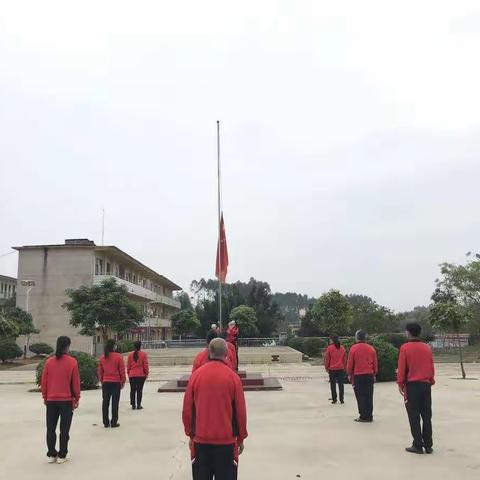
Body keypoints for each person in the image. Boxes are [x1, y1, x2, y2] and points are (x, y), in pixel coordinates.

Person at [183, 338, 248, 480]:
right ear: (226, 353)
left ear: (209, 352)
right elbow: (240, 412)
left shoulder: (196, 376)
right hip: (226, 443)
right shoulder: (233, 378)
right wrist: (241, 437)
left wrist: (190, 434)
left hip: (200, 441)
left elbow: (187, 409)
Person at [40, 336, 80, 464]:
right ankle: (62, 455)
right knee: (64, 429)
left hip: (51, 400)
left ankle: (52, 454)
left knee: (50, 428)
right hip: (66, 401)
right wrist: (77, 398)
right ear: (67, 346)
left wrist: (45, 397)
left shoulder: (49, 362)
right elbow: (75, 383)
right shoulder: (72, 362)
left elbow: (44, 382)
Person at [397, 322, 435, 454]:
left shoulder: (405, 348)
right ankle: (428, 444)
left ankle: (417, 445)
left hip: (412, 386)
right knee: (426, 415)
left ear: (408, 332)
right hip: (425, 385)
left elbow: (402, 368)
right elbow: (431, 366)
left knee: (414, 416)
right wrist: (430, 379)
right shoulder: (427, 348)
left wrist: (400, 383)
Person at [346, 330, 378, 422]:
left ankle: (363, 416)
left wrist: (349, 373)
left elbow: (350, 363)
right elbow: (375, 363)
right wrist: (374, 373)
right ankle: (369, 415)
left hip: (358, 375)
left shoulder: (353, 348)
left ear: (357, 337)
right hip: (369, 375)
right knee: (369, 396)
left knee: (360, 396)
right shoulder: (371, 348)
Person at [98, 339, 126, 428]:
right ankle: (114, 422)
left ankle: (105, 422)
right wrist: (123, 381)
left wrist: (102, 381)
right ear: (114, 346)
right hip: (116, 382)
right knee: (115, 403)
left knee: (105, 403)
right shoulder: (118, 357)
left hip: (106, 382)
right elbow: (122, 370)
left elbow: (100, 372)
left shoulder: (102, 357)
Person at [127, 340, 149, 410]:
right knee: (139, 390)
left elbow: (128, 366)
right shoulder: (144, 354)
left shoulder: (130, 355)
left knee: (132, 390)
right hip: (141, 375)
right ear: (140, 346)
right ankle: (139, 405)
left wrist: (128, 373)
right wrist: (146, 374)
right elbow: (145, 365)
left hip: (132, 375)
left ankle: (133, 405)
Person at [324, 335, 346, 404]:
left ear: (332, 340)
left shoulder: (330, 348)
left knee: (333, 385)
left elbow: (327, 359)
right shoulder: (342, 348)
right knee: (341, 384)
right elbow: (345, 359)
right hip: (340, 368)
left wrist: (326, 367)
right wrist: (344, 367)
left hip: (332, 369)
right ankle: (341, 399)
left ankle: (334, 399)